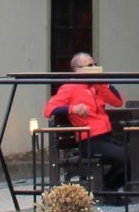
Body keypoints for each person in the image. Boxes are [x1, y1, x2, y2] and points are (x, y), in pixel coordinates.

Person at [42, 52, 126, 190]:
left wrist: (102, 82)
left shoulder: (97, 85)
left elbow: (117, 102)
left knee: (135, 154)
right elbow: (48, 109)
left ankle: (106, 187)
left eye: (95, 65)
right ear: (78, 69)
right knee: (125, 156)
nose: (94, 68)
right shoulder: (70, 87)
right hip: (90, 140)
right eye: (90, 65)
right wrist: (72, 108)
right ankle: (107, 189)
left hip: (106, 136)